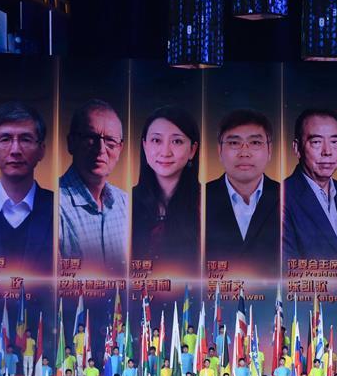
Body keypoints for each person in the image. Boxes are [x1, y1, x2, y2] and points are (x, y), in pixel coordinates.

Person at [205, 109, 281, 276]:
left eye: (255, 143)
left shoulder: (290, 198)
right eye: (234, 143)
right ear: (219, 151)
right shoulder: (198, 199)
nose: (244, 153)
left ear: (269, 150)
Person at [0, 101, 53, 274]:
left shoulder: (59, 209)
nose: (15, 150)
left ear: (42, 150)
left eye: (25, 139)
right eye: (5, 139)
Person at [58, 99, 129, 274]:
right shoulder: (52, 206)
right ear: (71, 143)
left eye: (110, 141)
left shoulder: (126, 204)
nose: (101, 149)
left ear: (120, 148)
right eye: (91, 138)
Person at [283, 108, 337, 274]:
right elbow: (288, 273)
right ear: (297, 148)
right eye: (316, 142)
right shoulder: (280, 199)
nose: (327, 152)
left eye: (335, 142)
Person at [131, 106, 201, 275]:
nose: (165, 152)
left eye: (176, 141)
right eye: (156, 140)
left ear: (192, 150)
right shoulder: (123, 204)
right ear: (145, 146)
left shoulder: (208, 204)